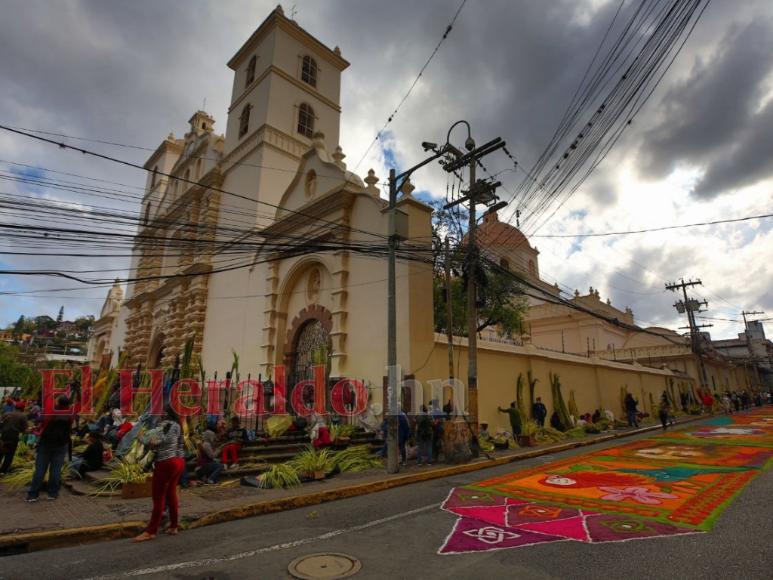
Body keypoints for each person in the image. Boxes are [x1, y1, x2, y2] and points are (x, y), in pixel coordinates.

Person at [133, 405, 185, 542]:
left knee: (158, 498)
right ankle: (174, 526)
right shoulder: (178, 425)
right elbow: (179, 444)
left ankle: (151, 531)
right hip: (178, 461)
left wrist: (142, 438)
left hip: (166, 462)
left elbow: (161, 443)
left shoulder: (166, 425)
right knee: (171, 494)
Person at [26, 397, 72, 502]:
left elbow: (38, 422)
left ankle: (33, 494)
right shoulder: (68, 415)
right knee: (55, 470)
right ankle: (52, 493)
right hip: (60, 444)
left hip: (46, 444)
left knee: (40, 470)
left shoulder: (49, 413)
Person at [0, 403, 29, 474]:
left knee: (0, 452)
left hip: (4, 435)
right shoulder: (23, 416)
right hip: (14, 436)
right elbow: (25, 429)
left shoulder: (6, 414)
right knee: (9, 455)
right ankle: (3, 471)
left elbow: (0, 424)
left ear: (15, 407)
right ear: (22, 408)